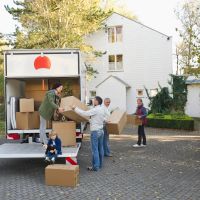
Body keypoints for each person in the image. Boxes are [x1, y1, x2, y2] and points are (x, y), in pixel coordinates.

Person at [72, 96, 105, 171]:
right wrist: (90, 121)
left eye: (94, 100)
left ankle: (96, 167)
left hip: (95, 132)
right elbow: (98, 119)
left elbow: (84, 113)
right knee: (100, 148)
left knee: (95, 150)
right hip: (101, 131)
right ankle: (100, 165)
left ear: (97, 102)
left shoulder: (96, 109)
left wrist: (75, 108)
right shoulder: (102, 109)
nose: (93, 101)